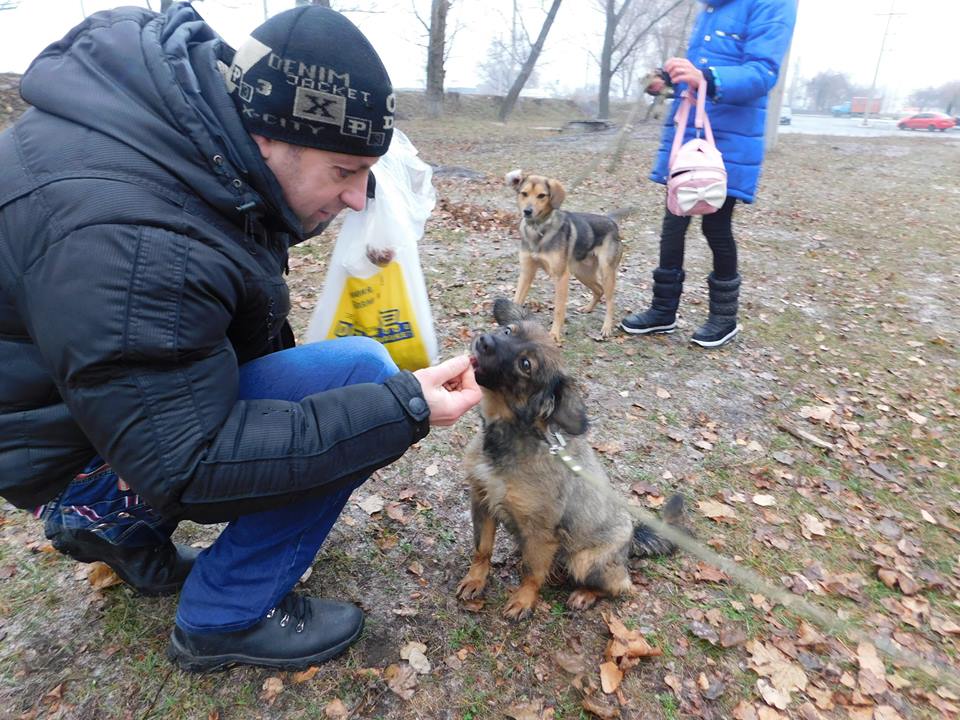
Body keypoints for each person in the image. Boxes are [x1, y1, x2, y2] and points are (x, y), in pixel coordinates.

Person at [0, 3, 481, 672]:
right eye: (344, 171)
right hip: (71, 460)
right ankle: (223, 617)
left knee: (340, 391)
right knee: (362, 380)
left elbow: (181, 351)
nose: (358, 198)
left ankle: (121, 534)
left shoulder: (187, 141)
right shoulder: (134, 239)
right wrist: (400, 411)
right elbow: (185, 467)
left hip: (66, 423)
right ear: (267, 138)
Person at [621, 0, 797, 348]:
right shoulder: (712, 8)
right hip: (688, 134)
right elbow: (699, 72)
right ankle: (663, 310)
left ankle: (724, 318)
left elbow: (762, 72)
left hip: (730, 139)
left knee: (716, 226)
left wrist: (706, 77)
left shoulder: (772, 4)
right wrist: (669, 80)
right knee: (673, 222)